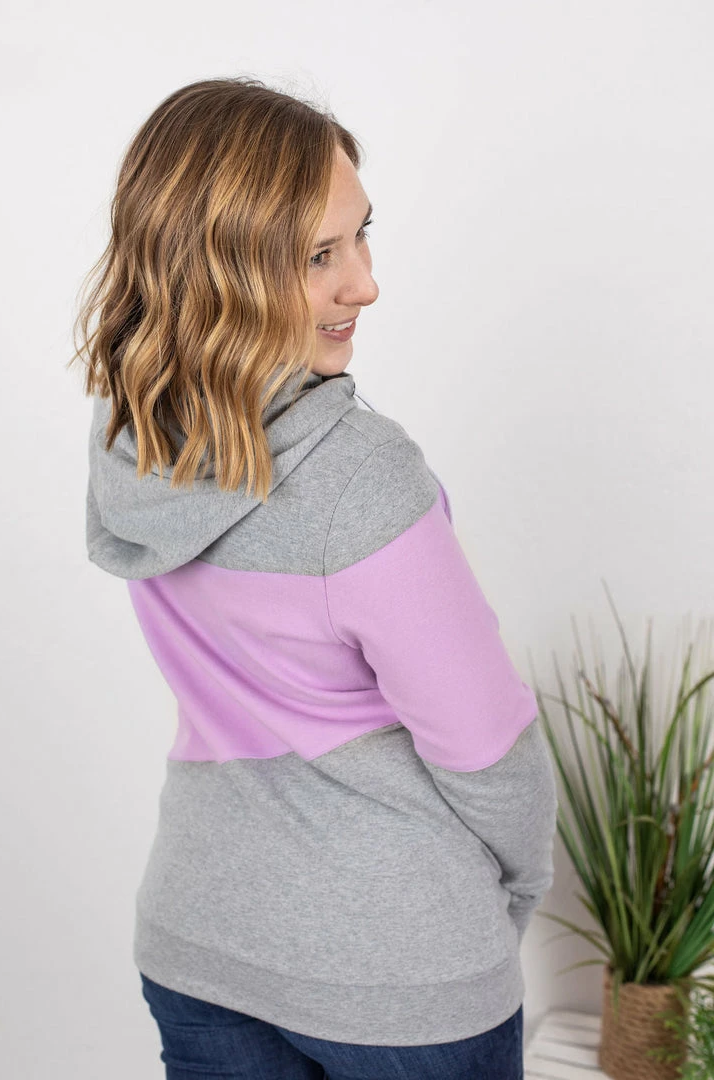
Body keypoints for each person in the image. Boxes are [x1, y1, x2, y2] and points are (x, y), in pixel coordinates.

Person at [72, 76, 558, 1080]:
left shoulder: (134, 438)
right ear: (220, 270)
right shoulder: (360, 475)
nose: (365, 285)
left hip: (200, 942)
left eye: (360, 237)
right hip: (402, 971)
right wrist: (504, 898)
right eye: (317, 256)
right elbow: (486, 749)